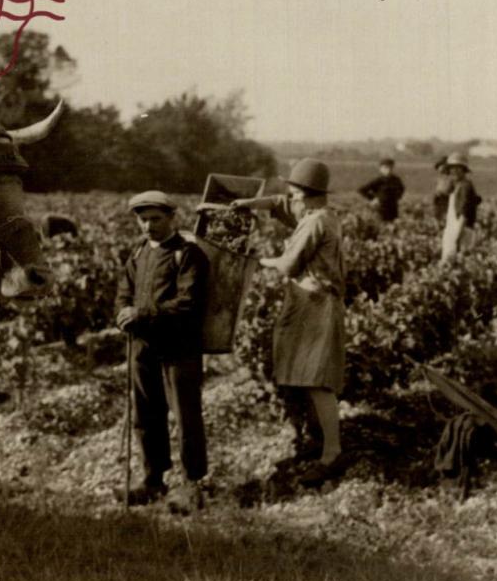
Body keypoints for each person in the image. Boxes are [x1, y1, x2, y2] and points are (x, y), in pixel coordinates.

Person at [230, 158, 347, 487]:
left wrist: (252, 261)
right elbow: (278, 203)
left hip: (316, 303)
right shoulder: (317, 213)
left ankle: (331, 453)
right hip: (306, 301)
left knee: (316, 380)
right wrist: (249, 203)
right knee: (296, 376)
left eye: (294, 193)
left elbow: (287, 266)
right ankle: (310, 441)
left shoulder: (315, 224)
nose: (290, 198)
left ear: (307, 195)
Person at [115, 190, 209, 513]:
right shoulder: (139, 253)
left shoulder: (189, 254)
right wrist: (123, 314)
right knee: (145, 415)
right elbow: (123, 292)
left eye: (156, 219)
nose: (148, 225)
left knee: (186, 416)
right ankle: (153, 480)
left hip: (179, 348)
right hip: (142, 346)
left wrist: (141, 314)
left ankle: (192, 485)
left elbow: (188, 303)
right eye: (143, 220)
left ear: (172, 218)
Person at [440, 152, 482, 262]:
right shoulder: (457, 185)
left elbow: (464, 214)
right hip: (455, 230)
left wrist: (456, 238)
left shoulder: (465, 186)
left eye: (458, 168)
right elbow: (443, 191)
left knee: (456, 264)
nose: (454, 171)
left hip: (462, 231)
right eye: (452, 169)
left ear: (463, 170)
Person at [357, 157, 405, 222]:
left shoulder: (396, 180)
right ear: (381, 169)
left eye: (390, 168)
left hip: (393, 208)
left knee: (392, 227)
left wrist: (398, 197)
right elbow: (362, 190)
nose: (388, 170)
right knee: (381, 226)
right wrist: (373, 199)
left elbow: (402, 189)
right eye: (386, 168)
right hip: (381, 208)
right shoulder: (378, 180)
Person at [432, 155, 452, 223]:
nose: (439, 169)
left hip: (447, 200)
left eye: (441, 166)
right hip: (439, 200)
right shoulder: (440, 178)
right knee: (438, 217)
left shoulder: (452, 178)